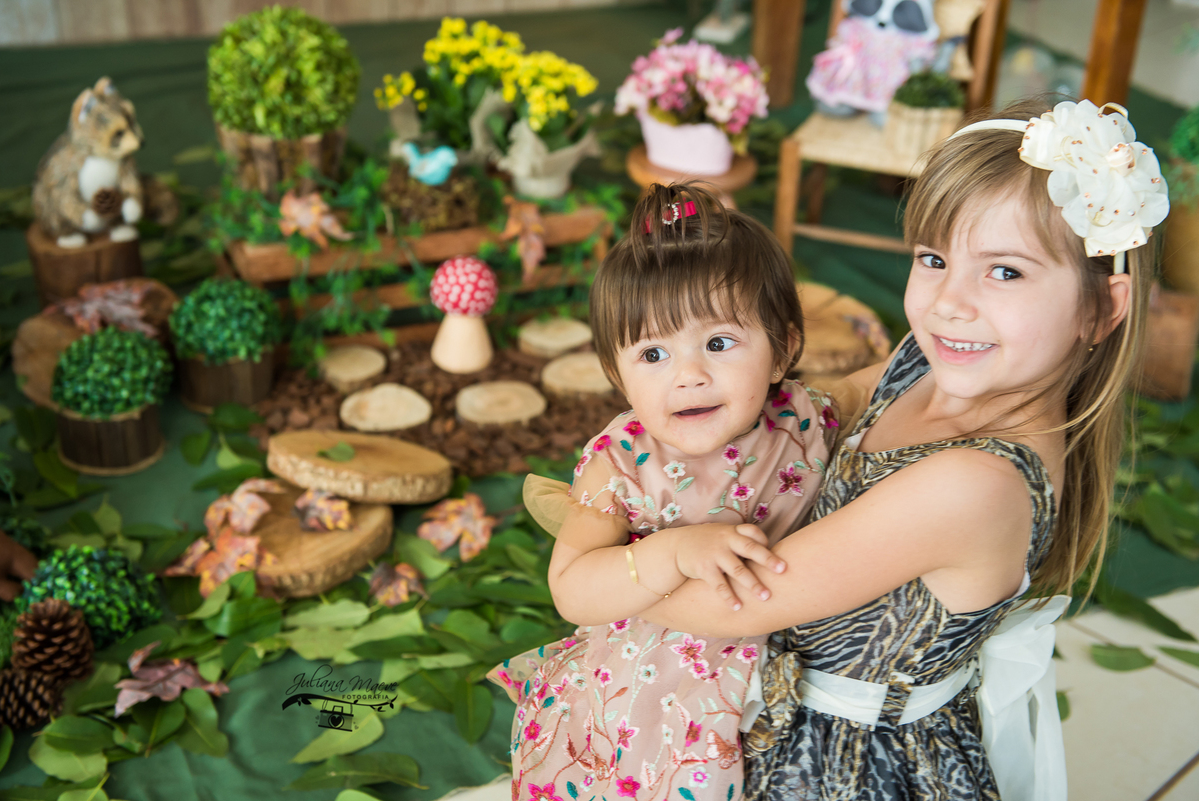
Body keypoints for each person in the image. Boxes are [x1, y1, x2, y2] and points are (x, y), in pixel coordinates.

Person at [546, 98, 1164, 801]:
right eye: (935, 258)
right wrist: (654, 452)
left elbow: (735, 604)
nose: (949, 302)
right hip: (765, 701)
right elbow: (802, 407)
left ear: (1101, 309)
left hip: (843, 763)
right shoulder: (930, 363)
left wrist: (625, 541)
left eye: (1005, 271)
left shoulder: (976, 483)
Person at [488, 182, 839, 798]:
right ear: (616, 375)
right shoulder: (621, 462)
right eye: (653, 353)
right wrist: (668, 554)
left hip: (799, 658)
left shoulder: (804, 418)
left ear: (782, 350)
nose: (690, 375)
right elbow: (571, 587)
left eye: (720, 343)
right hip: (659, 689)